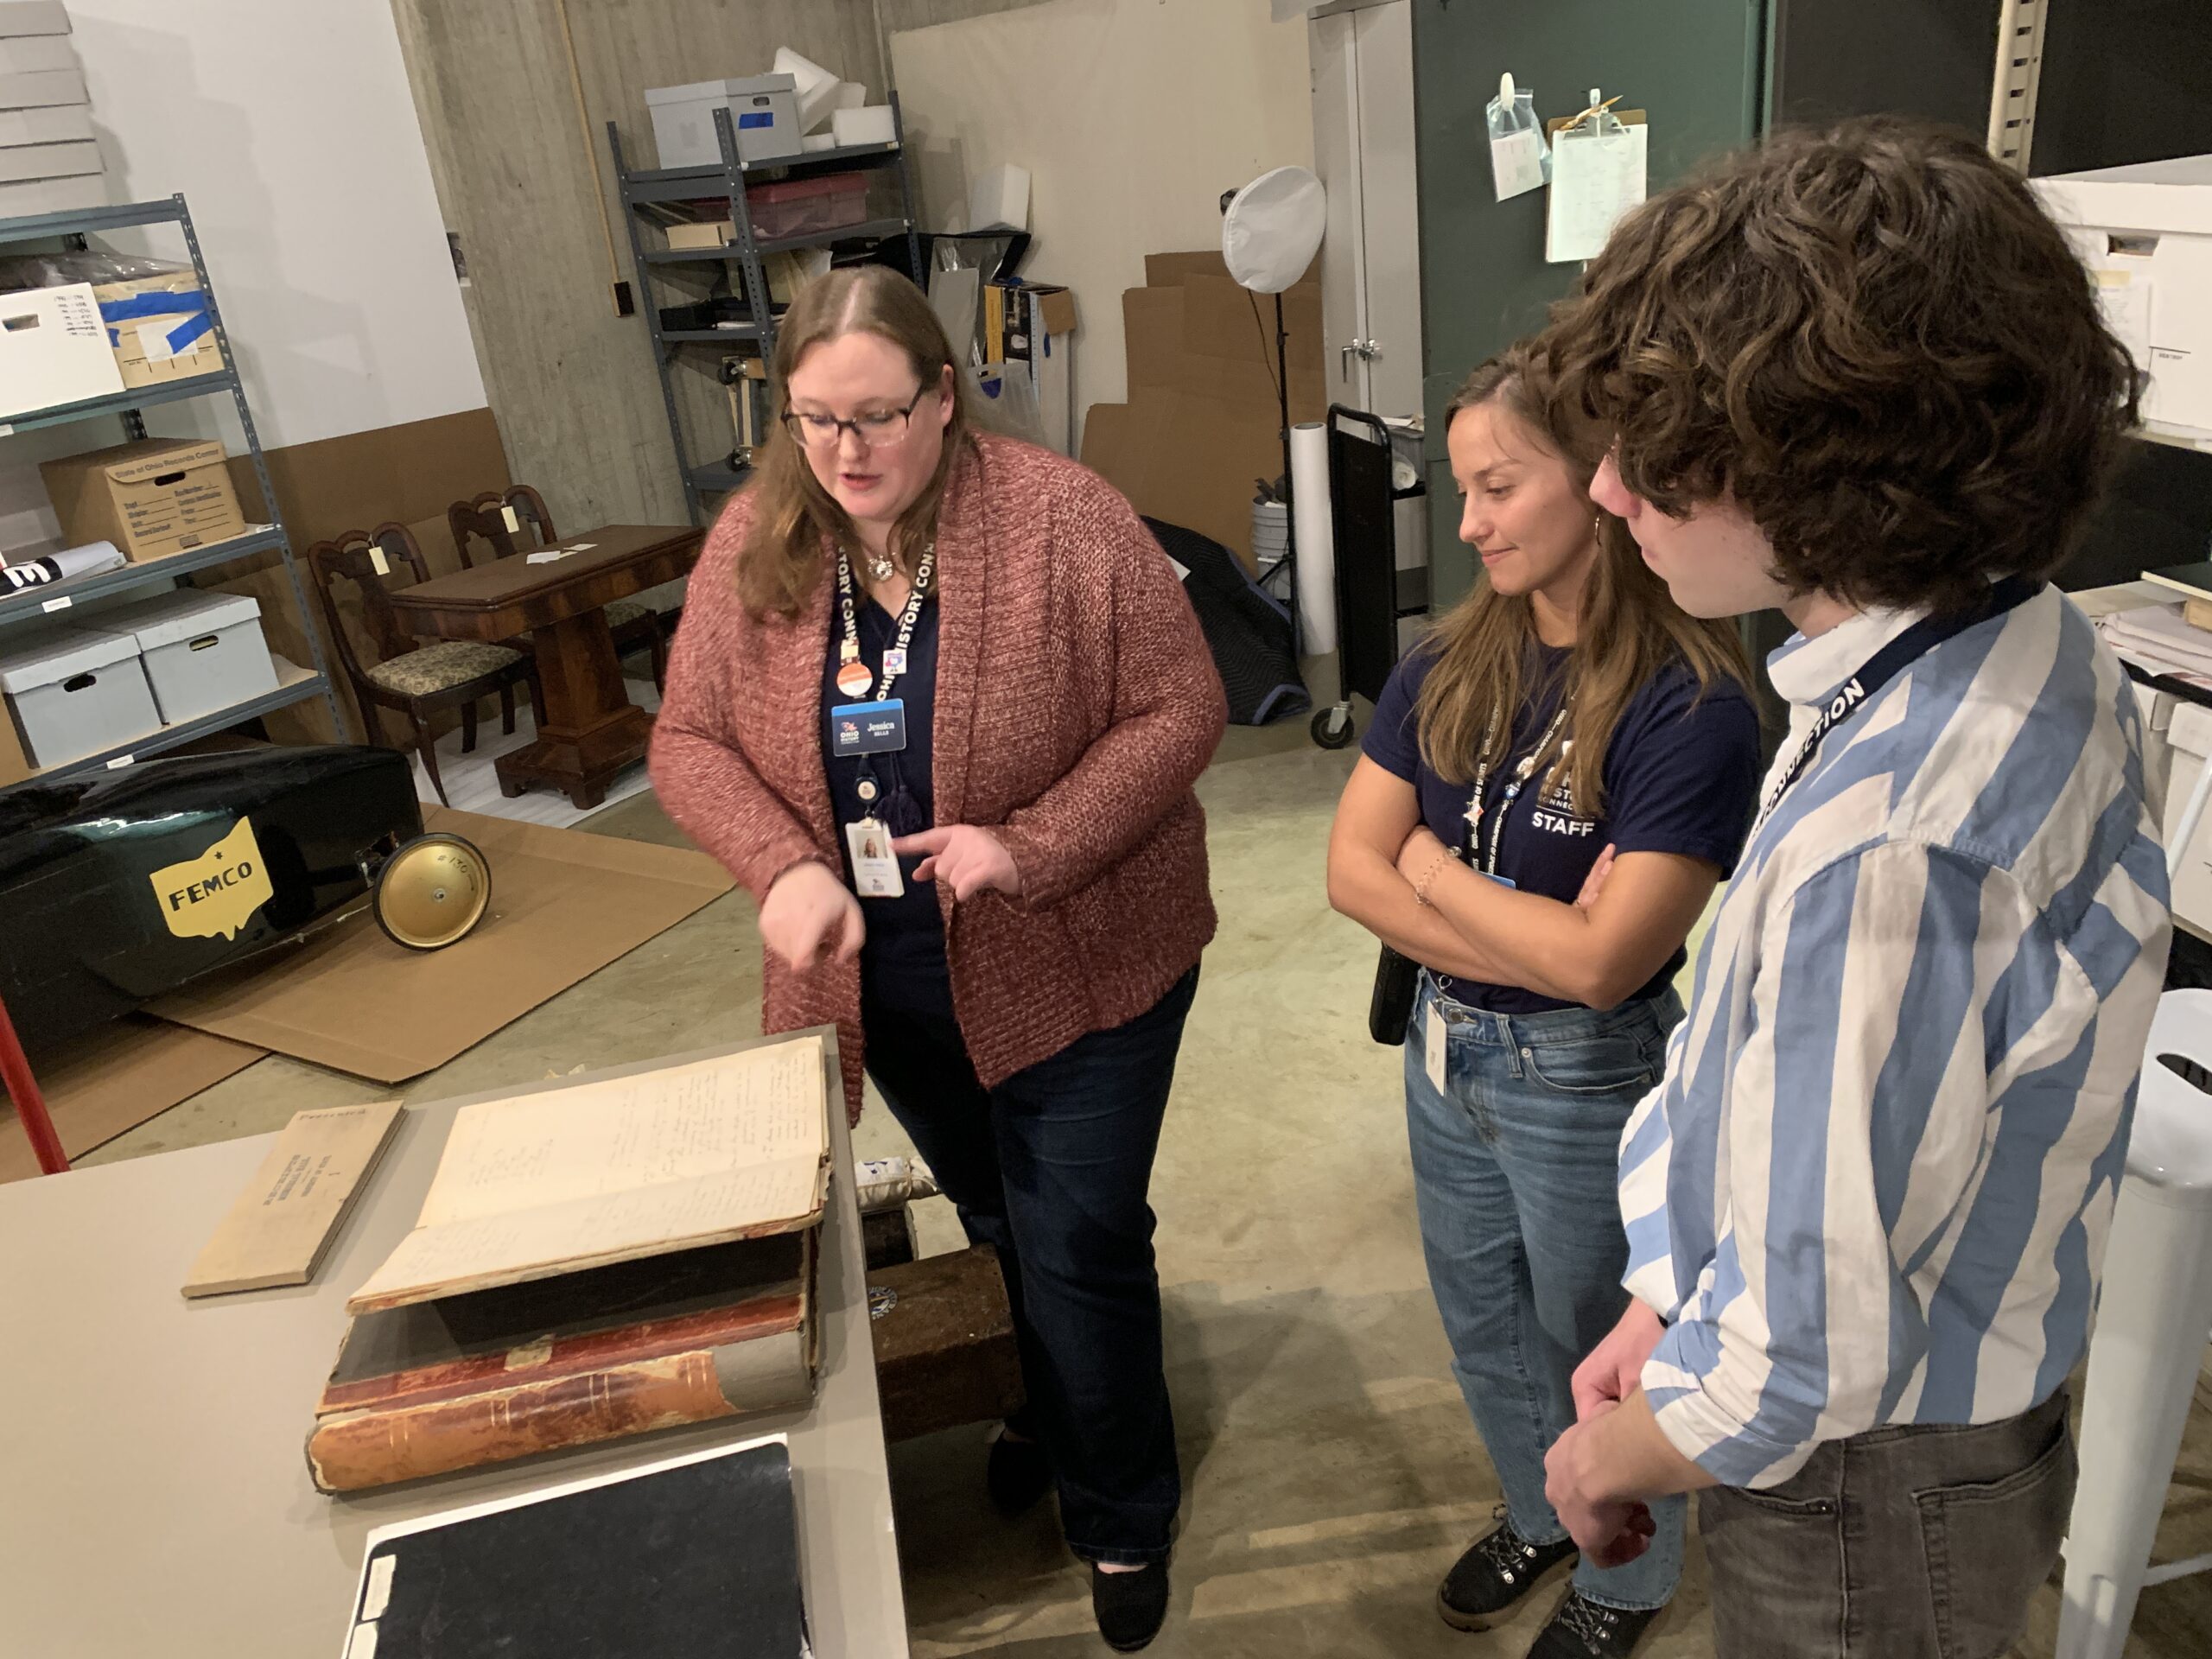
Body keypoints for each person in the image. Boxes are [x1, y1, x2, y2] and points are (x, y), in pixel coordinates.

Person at [1533, 118, 2173, 1659]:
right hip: (1941, 1409)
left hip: (1868, 1493)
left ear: (1830, 469)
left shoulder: (1892, 846)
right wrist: (1668, 1296)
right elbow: (1810, 1130)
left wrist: (1603, 1456)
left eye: (1662, 458)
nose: (1609, 494)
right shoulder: (2023, 639)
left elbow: (1795, 1368)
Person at [649, 265, 1226, 1654]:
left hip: (1079, 953)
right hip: (887, 975)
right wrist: (782, 866)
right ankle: (1044, 1390)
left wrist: (1031, 844)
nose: (846, 451)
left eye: (877, 415)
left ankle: (1120, 1507)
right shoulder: (761, 539)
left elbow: (1180, 706)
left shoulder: (1059, 520)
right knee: (992, 1210)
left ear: (946, 398)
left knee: (1080, 1236)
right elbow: (687, 740)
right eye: (812, 420)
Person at [1325, 345, 1761, 1658]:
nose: (1469, 524)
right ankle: (1540, 1506)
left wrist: (1434, 866)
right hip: (1449, 1054)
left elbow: (1608, 972)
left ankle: (1624, 1577)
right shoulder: (1452, 661)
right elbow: (1351, 868)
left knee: (1598, 1338)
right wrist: (1541, 930)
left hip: (1587, 1075)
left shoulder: (1692, 703)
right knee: (1485, 1323)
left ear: (1599, 480)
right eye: (1462, 490)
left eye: (1500, 487)